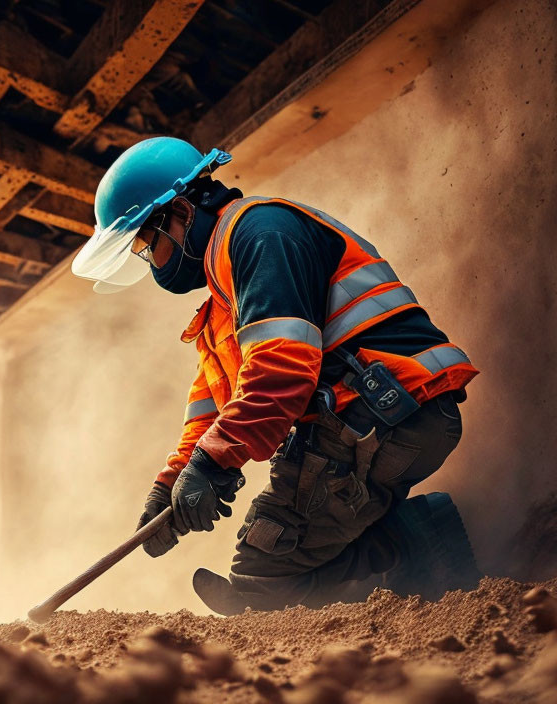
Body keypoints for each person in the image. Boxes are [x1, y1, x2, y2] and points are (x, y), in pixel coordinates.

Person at [72, 137, 481, 614]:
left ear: (181, 212)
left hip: (381, 415)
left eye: (146, 243)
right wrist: (172, 483)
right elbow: (215, 403)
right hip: (372, 419)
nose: (151, 260)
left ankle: (416, 540)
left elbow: (280, 369)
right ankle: (407, 567)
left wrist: (213, 465)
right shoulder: (228, 287)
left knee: (265, 578)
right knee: (280, 564)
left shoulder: (258, 234)